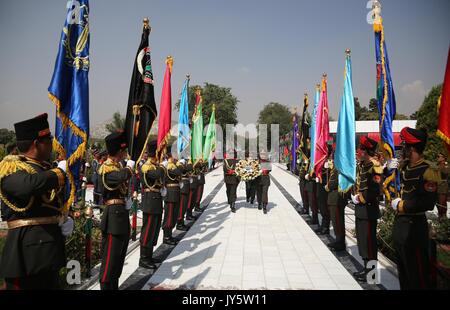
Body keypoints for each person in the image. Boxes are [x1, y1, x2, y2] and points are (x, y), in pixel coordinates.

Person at [0, 113, 73, 289]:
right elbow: (28, 186)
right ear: (36, 143)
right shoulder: (11, 168)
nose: (51, 146)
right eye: (48, 141)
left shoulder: (44, 169)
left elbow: (51, 204)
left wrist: (65, 218)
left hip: (49, 252)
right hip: (26, 256)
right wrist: (58, 173)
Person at [391, 127, 440, 290]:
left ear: (411, 148)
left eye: (403, 146)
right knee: (404, 276)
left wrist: (401, 205)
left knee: (417, 276)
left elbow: (427, 202)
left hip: (414, 230)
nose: (402, 149)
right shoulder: (405, 168)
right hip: (400, 228)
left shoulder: (428, 171)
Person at [98, 131, 135, 290]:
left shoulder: (117, 167)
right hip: (113, 218)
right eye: (124, 151)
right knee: (110, 261)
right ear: (119, 151)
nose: (125, 153)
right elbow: (119, 177)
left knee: (118, 260)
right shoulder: (106, 168)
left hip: (120, 215)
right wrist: (129, 169)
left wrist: (126, 201)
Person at [351, 136, 383, 282]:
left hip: (369, 210)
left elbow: (375, 190)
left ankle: (372, 274)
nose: (358, 151)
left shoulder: (374, 166)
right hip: (362, 210)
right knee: (363, 241)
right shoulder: (364, 165)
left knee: (369, 244)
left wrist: (360, 198)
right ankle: (367, 268)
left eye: (360, 149)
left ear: (366, 151)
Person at [139, 141, 164, 269]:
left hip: (156, 201)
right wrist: (161, 165)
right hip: (150, 201)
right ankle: (143, 258)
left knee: (154, 230)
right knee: (148, 231)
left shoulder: (154, 165)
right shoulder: (146, 166)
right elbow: (158, 175)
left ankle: (149, 256)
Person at [161, 146, 182, 245]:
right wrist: (179, 164)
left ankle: (169, 235)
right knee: (169, 216)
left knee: (173, 215)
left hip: (175, 192)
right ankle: (166, 236)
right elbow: (178, 172)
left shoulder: (173, 164)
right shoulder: (169, 166)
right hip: (170, 193)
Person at [176, 156, 193, 231]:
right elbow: (189, 168)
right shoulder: (180, 164)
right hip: (182, 188)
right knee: (181, 207)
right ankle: (179, 223)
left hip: (185, 187)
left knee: (184, 206)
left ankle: (181, 222)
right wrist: (189, 162)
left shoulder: (183, 164)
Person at [436, 152, 449, 218]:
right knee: (438, 204)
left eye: (439, 156)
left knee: (442, 204)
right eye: (437, 156)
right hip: (436, 186)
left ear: (443, 158)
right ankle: (440, 217)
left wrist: (441, 165)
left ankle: (443, 218)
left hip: (442, 187)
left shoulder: (445, 165)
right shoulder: (437, 165)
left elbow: (445, 172)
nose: (437, 158)